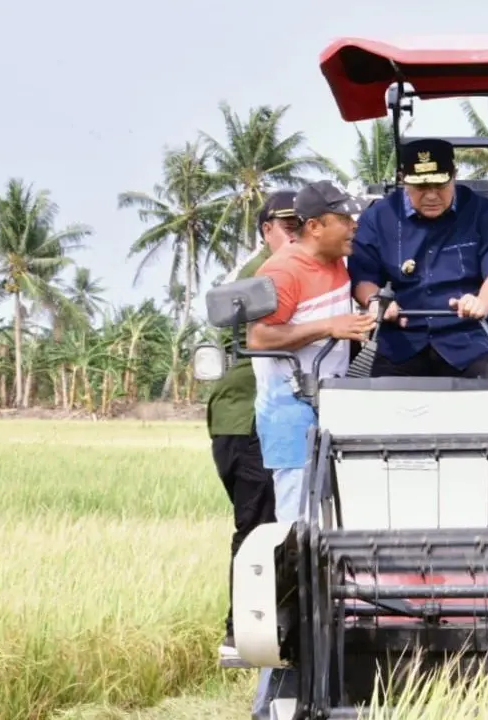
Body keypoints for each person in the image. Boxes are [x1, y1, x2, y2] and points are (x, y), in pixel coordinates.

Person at [247, 179, 376, 525]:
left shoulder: (337, 262)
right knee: (298, 517)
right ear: (315, 227)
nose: (354, 227)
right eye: (344, 220)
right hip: (289, 412)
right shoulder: (282, 271)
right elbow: (258, 338)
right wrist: (329, 327)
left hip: (330, 403)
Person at [205, 190, 298, 661]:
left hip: (261, 417)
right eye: (289, 226)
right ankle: (240, 631)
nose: (297, 235)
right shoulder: (266, 276)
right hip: (248, 421)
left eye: (305, 226)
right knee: (260, 526)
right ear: (267, 230)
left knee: (281, 524)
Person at [347, 137, 488, 379]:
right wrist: (375, 301)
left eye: (440, 185)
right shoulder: (377, 217)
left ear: (454, 176)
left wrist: (481, 303)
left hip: (468, 338)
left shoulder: (481, 211)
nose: (431, 196)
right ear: (402, 179)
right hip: (401, 341)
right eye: (421, 187)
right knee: (377, 394)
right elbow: (363, 276)